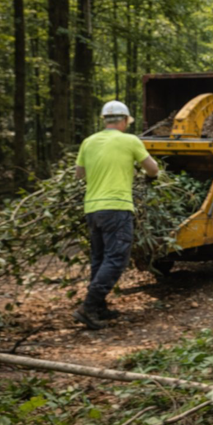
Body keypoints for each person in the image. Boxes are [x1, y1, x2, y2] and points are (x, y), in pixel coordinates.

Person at [73, 100, 159, 329]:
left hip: (92, 208)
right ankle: (88, 307)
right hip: (117, 208)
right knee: (116, 258)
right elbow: (153, 169)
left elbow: (79, 175)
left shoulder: (88, 142)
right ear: (124, 121)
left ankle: (99, 308)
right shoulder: (130, 141)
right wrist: (146, 176)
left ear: (104, 120)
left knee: (99, 259)